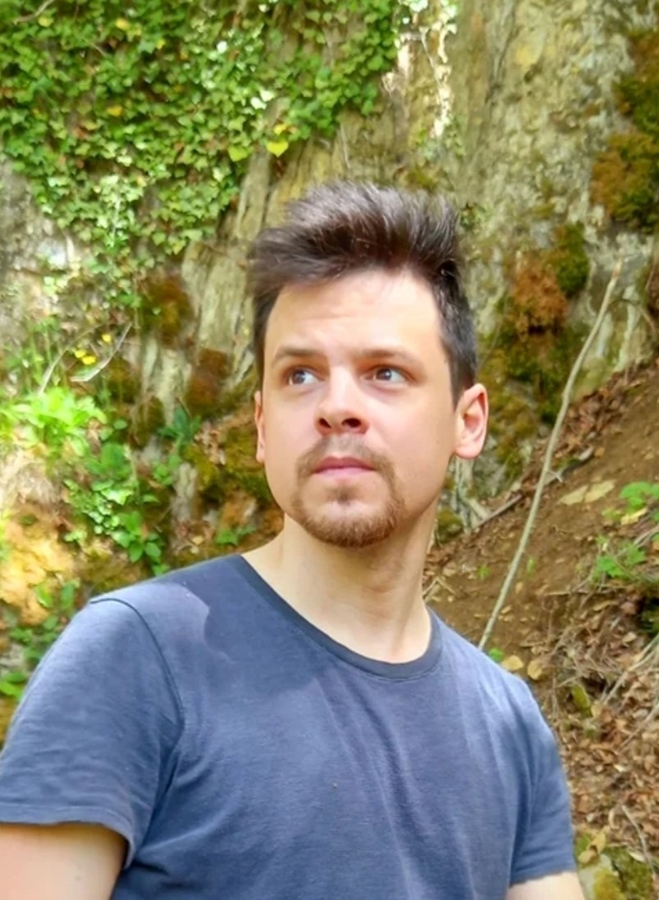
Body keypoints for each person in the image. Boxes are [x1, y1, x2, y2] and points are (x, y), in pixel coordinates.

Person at [0, 181, 584, 899]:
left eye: (386, 373)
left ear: (468, 421)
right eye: (300, 375)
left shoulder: (508, 723)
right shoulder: (134, 659)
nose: (336, 406)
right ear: (261, 425)